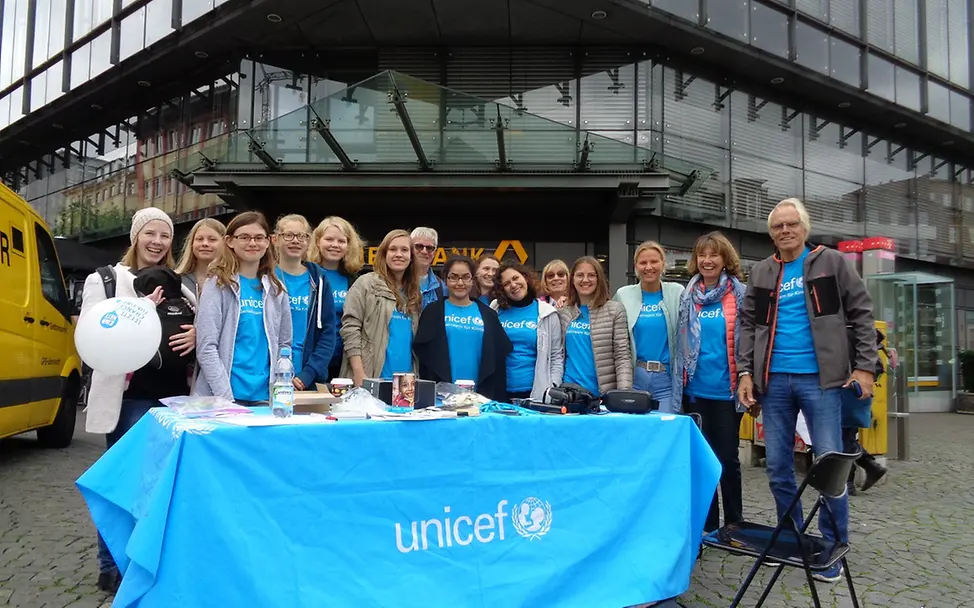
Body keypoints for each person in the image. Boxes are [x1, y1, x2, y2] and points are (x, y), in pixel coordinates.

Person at [738, 198, 876, 584]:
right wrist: (746, 373)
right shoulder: (763, 272)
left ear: (804, 227)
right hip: (774, 383)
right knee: (779, 468)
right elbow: (748, 325)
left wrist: (865, 367)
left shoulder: (830, 262)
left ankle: (834, 549)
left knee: (829, 467)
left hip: (822, 382)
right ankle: (792, 539)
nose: (785, 231)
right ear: (771, 233)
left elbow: (861, 313)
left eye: (791, 224)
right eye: (778, 226)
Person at [79, 207, 197, 592]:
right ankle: (111, 565)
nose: (157, 242)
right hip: (129, 399)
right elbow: (90, 338)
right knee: (124, 482)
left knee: (165, 486)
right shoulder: (108, 280)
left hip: (177, 399)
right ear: (135, 237)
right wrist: (140, 312)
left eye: (164, 235)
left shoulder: (183, 286)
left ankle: (152, 563)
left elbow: (205, 331)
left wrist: (197, 337)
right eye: (150, 233)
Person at [672, 231, 749, 533]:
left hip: (726, 391)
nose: (707, 260)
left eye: (714, 254)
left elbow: (748, 339)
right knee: (702, 462)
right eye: (702, 255)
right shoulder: (687, 295)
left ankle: (735, 525)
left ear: (725, 259)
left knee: (727, 460)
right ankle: (708, 526)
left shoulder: (739, 293)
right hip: (695, 391)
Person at [193, 212, 292, 405]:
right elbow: (206, 348)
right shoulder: (218, 284)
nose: (252, 243)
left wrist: (279, 391)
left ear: (267, 242)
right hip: (224, 398)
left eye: (259, 238)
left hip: (266, 397)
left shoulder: (277, 289)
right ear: (230, 241)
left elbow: (284, 344)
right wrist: (226, 398)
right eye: (244, 237)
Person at [414, 256, 512, 401]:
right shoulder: (432, 312)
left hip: (480, 398)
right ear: (445, 280)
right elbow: (424, 358)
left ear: (473, 280)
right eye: (453, 277)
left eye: (466, 277)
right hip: (440, 398)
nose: (460, 283)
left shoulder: (488, 315)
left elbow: (497, 360)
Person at [340, 229, 421, 385]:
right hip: (370, 376)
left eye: (404, 250)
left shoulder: (414, 293)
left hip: (405, 383)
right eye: (392, 249)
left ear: (411, 257)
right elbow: (350, 329)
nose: (399, 254)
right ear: (384, 254)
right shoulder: (365, 284)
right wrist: (359, 372)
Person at [613, 241, 684, 412]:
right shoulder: (623, 295)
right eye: (643, 262)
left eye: (654, 261)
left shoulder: (677, 292)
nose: (649, 267)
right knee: (635, 432)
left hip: (665, 379)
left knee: (664, 430)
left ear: (663, 264)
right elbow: (606, 319)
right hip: (635, 377)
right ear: (635, 266)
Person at [272, 214, 336, 390]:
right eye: (288, 235)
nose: (296, 241)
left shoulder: (320, 280)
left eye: (302, 236)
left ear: (309, 242)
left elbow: (328, 334)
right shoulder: (266, 277)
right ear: (275, 239)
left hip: (306, 378)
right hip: (268, 374)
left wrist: (309, 372)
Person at [490, 263, 565, 402]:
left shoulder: (547, 313)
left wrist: (553, 387)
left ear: (525, 278)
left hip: (535, 393)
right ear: (502, 290)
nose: (513, 285)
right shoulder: (495, 309)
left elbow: (556, 357)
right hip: (500, 392)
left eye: (515, 278)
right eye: (506, 283)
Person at [558, 257, 632, 397]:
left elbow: (622, 355)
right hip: (569, 393)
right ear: (572, 279)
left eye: (591, 275)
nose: (585, 280)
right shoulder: (563, 312)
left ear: (599, 279)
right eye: (580, 275)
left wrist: (623, 393)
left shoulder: (615, 310)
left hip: (602, 395)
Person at [309, 216, 365, 381]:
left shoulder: (354, 280)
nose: (335, 245)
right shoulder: (307, 275)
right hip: (311, 360)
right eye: (329, 239)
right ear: (318, 241)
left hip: (343, 361)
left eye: (341, 241)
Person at [174, 218, 226, 299]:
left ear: (224, 243)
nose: (205, 244)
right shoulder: (175, 280)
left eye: (212, 239)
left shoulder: (232, 281)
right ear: (192, 244)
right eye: (200, 239)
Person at [411, 226, 445, 309]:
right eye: (419, 246)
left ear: (435, 253)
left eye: (429, 248)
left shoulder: (442, 287)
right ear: (410, 248)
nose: (424, 251)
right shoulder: (396, 280)